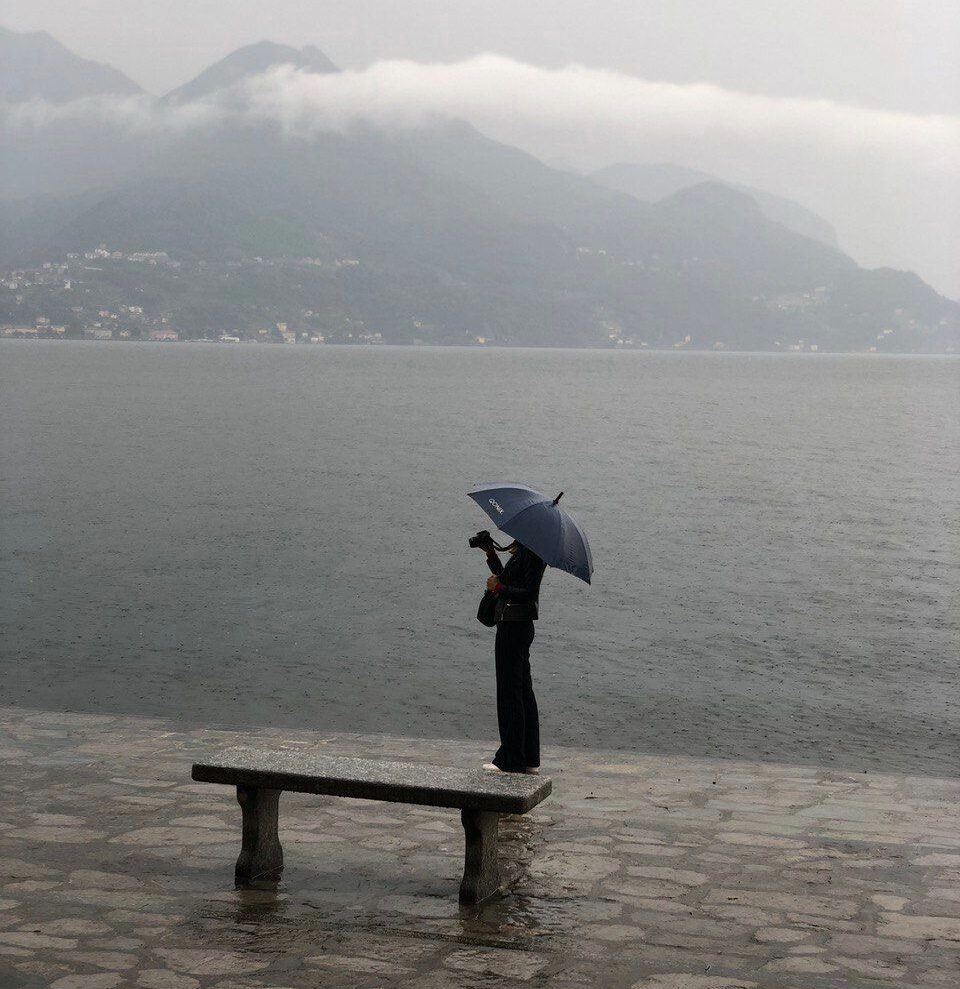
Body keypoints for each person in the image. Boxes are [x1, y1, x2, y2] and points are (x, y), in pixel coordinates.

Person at [478, 538, 547, 774]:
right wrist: (491, 554)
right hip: (516, 626)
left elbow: (528, 592)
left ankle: (511, 759)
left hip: (514, 627)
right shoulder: (527, 550)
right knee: (523, 693)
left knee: (510, 694)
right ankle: (529, 759)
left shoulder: (533, 553)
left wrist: (498, 589)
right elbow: (508, 577)